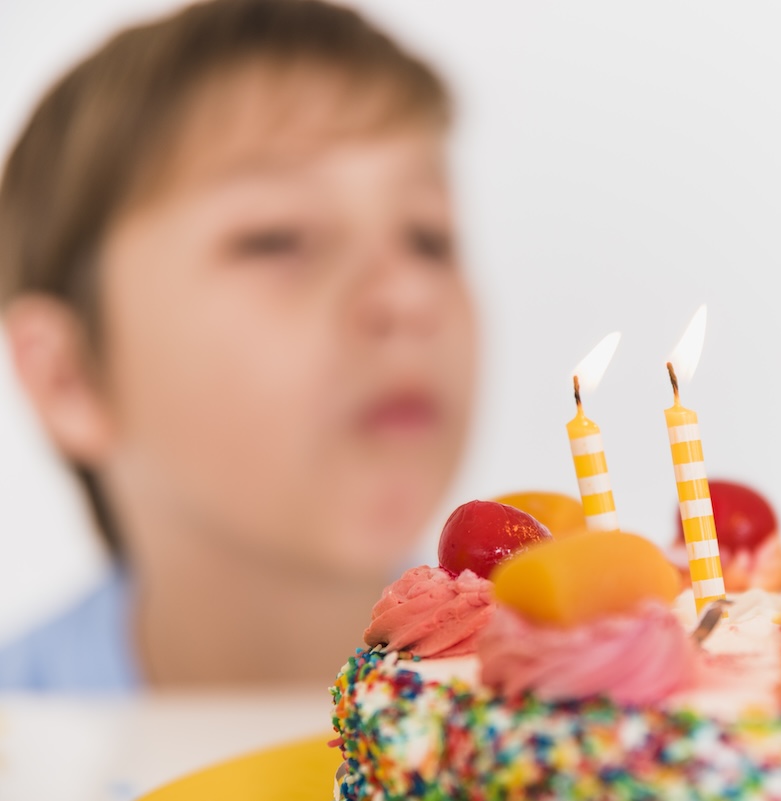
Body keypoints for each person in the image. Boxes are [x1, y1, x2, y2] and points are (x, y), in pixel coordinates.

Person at [0, 0, 476, 690]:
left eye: (429, 238)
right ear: (68, 377)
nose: (407, 295)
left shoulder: (582, 720)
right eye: (277, 238)